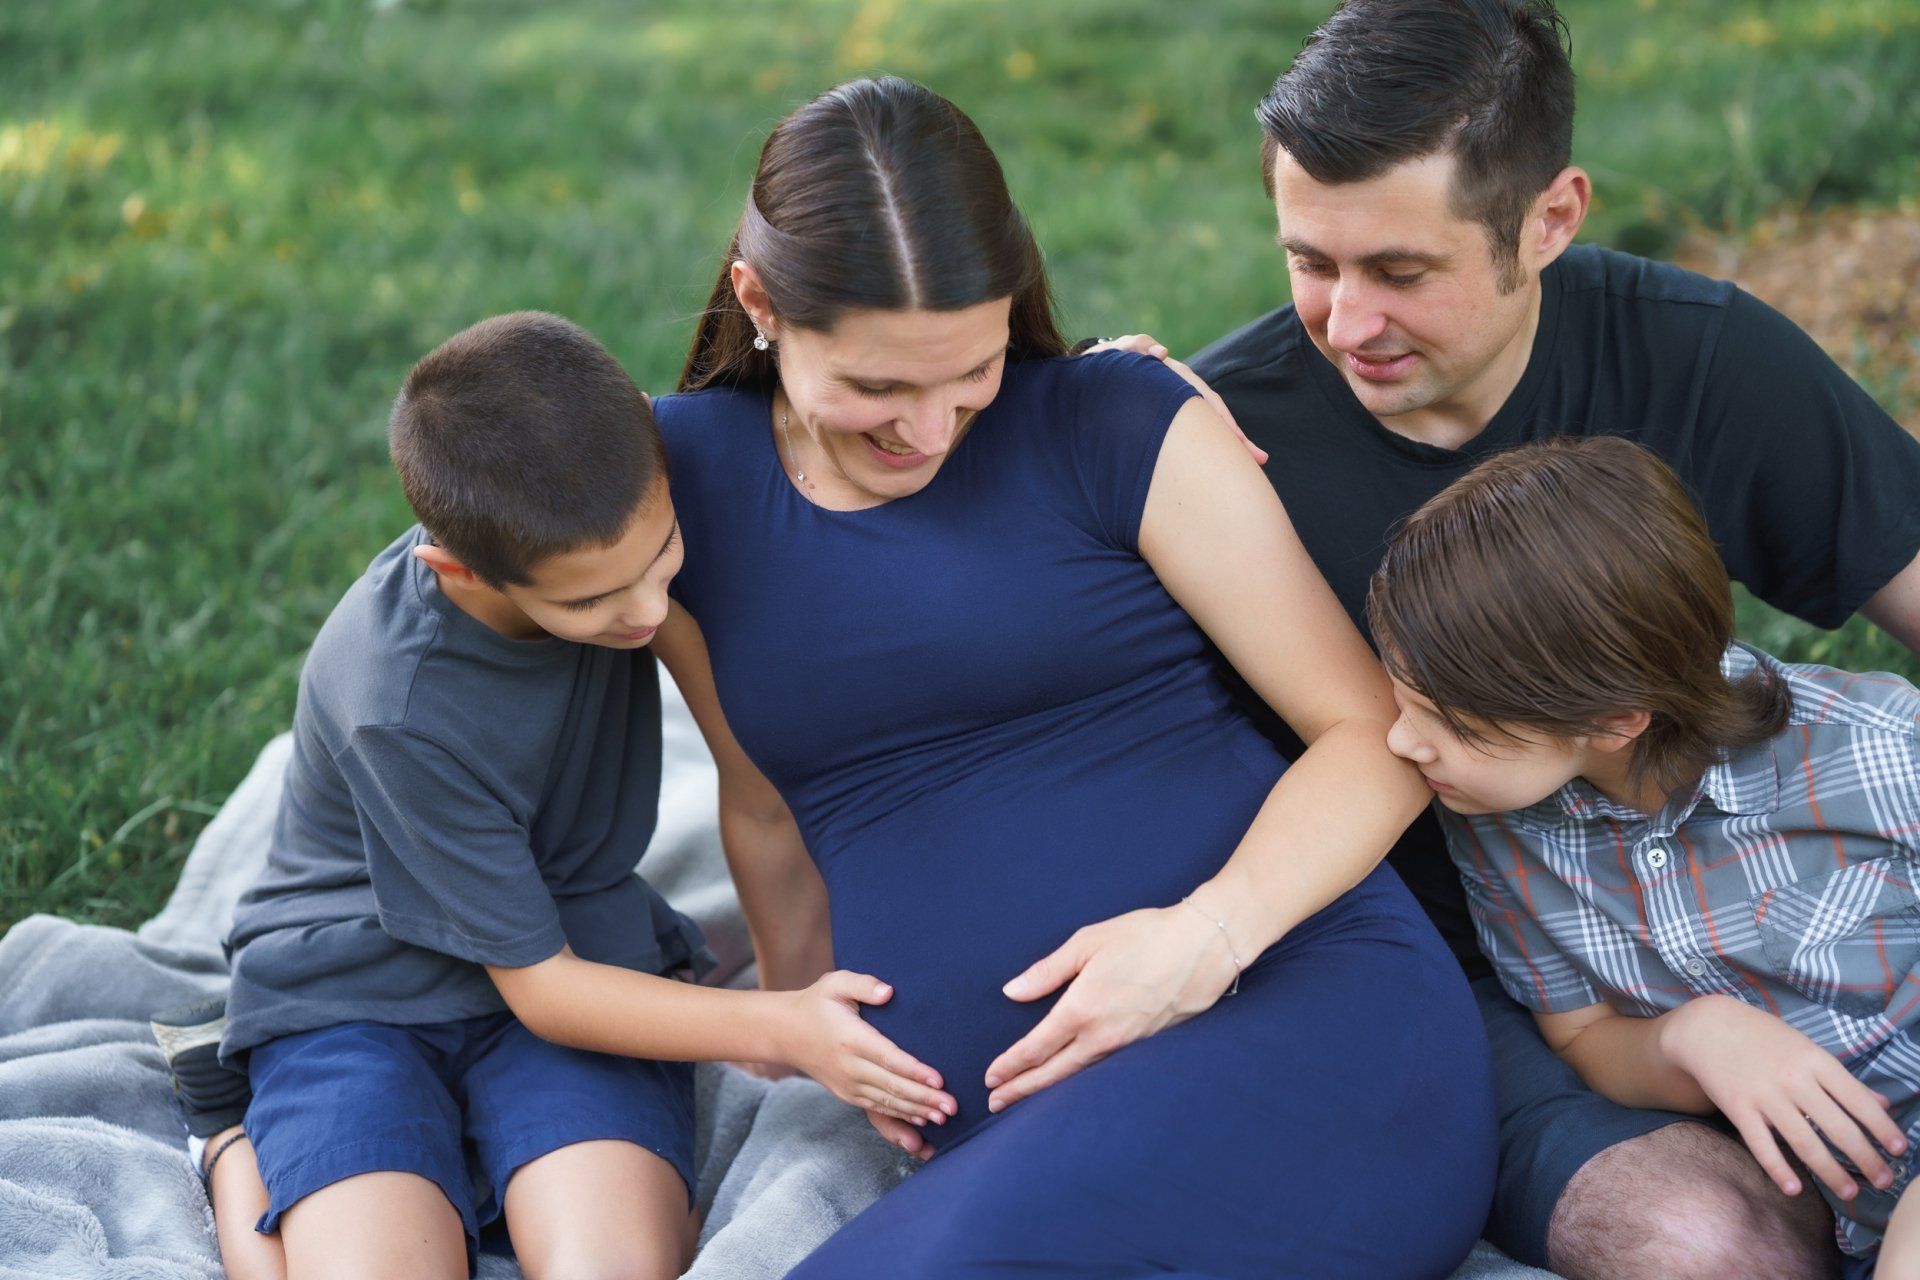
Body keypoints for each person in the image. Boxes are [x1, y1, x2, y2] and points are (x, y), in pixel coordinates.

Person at [649, 76, 1495, 1278]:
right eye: (878, 387)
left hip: (1296, 1013)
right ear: (760, 302)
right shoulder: (679, 484)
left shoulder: (1112, 423)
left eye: (972, 370)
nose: (932, 428)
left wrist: (1202, 937)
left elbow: (1373, 736)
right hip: (1025, 1132)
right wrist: (800, 1023)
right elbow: (764, 797)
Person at [1186, 1, 1920, 1272]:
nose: (1346, 321)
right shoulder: (1208, 443)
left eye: (1402, 272)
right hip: (1445, 966)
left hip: (1732, 915)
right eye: (1310, 261)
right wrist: (1088, 422)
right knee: (1704, 1239)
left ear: (1552, 218)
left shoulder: (1699, 359)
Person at [165, 312, 960, 1280]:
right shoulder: (395, 698)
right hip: (359, 988)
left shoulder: (635, 526)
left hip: (581, 942)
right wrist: (773, 1023)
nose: (646, 612)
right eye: (588, 603)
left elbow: (756, 784)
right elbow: (541, 990)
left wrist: (800, 996)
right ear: (454, 568)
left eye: (660, 560)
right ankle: (229, 1133)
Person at [1365, 436, 1920, 1279]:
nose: (1405, 742)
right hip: (1833, 1214)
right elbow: (1584, 1036)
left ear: (1620, 719)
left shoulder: (1883, 754)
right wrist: (1695, 1037)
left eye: (1453, 723)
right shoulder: (1496, 820)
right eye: (1404, 700)